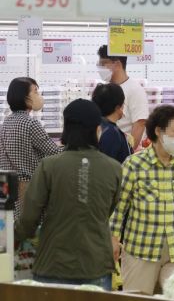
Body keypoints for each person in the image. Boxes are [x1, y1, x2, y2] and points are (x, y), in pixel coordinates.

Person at [15, 99, 122, 290]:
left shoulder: (49, 166)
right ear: (97, 129)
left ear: (66, 128)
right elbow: (107, 210)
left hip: (53, 263)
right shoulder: (114, 168)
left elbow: (29, 216)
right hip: (96, 264)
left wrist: (19, 238)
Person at [109, 105, 174, 295]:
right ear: (159, 131)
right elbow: (120, 207)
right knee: (137, 297)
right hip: (142, 248)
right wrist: (114, 239)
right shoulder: (135, 164)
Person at [0, 77, 61, 219]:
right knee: (30, 229)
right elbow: (54, 152)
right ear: (25, 98)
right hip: (28, 188)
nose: (39, 96)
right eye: (35, 91)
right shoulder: (31, 124)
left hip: (7, 187)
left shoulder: (5, 123)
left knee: (11, 231)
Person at [97, 45, 148, 149]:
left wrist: (128, 152)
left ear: (117, 64)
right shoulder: (107, 89)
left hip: (123, 150)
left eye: (103, 64)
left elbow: (140, 123)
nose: (100, 68)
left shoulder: (135, 90)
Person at [92, 83, 132, 163]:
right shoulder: (111, 132)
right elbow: (107, 165)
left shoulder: (96, 125)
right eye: (123, 104)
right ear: (118, 108)